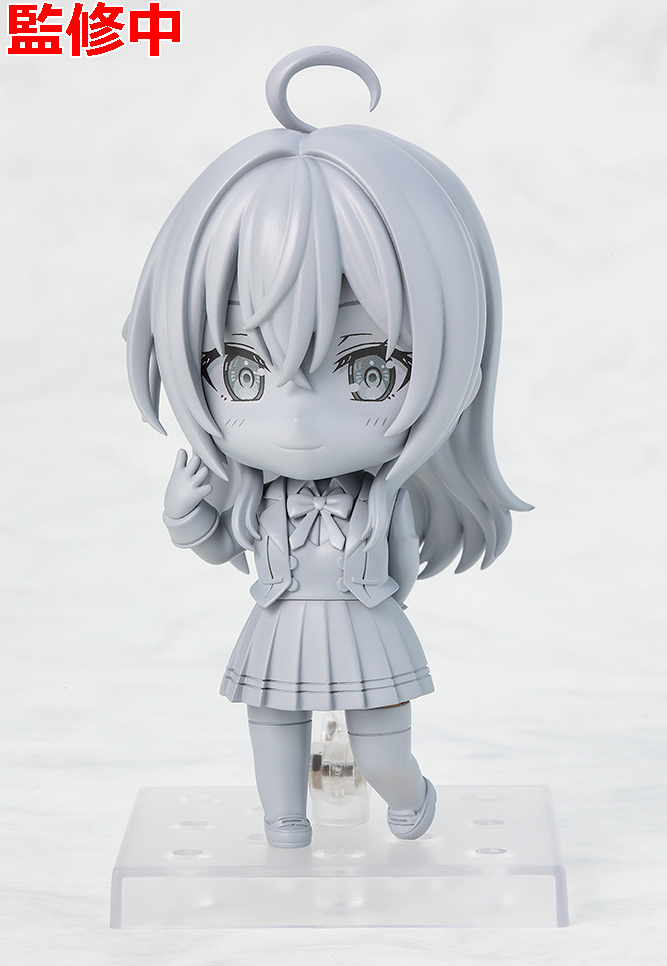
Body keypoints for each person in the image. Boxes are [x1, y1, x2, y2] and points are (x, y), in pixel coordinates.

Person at [125, 46, 530, 848]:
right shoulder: (260, 498)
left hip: (366, 625)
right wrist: (183, 515)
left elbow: (401, 575)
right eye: (242, 371)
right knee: (274, 730)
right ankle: (284, 826)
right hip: (279, 627)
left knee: (383, 753)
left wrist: (373, 590)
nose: (299, 418)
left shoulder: (382, 501)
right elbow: (221, 548)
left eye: (369, 369)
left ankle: (409, 797)